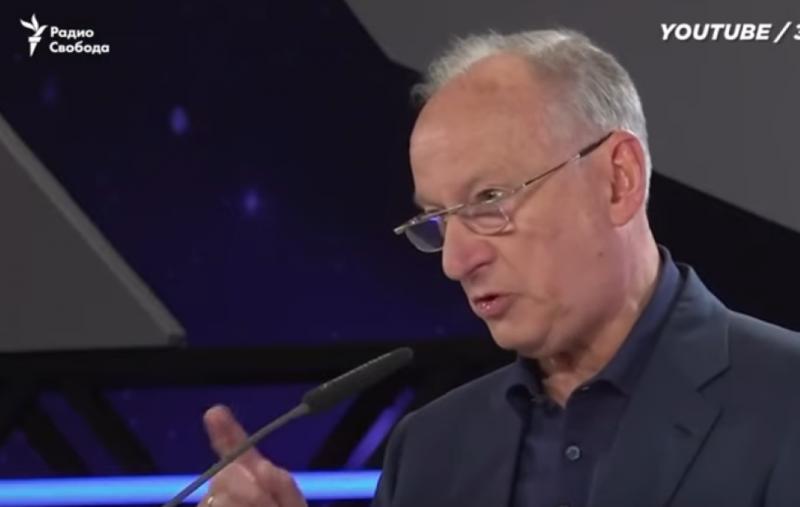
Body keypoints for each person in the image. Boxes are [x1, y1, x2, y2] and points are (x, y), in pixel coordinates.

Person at [197, 29, 800, 507]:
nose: (456, 261)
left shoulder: (785, 402)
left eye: (488, 200)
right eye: (436, 219)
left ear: (619, 180)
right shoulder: (428, 450)